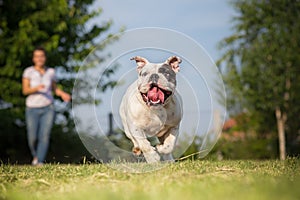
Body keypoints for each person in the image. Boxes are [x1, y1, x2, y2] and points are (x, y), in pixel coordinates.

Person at [22, 47, 71, 166]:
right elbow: (25, 90)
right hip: (32, 107)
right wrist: (36, 88)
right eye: (37, 56)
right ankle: (35, 155)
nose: (40, 58)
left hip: (48, 107)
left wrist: (62, 94)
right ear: (34, 59)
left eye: (42, 56)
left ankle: (39, 161)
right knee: (32, 137)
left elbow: (55, 89)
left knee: (44, 135)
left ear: (45, 58)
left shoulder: (51, 72)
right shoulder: (28, 72)